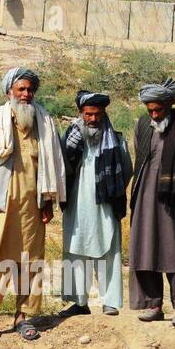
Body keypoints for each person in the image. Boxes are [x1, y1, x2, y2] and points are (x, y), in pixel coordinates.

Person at [0, 66, 67, 342]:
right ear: (9, 91)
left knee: (30, 260)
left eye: (29, 89)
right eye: (21, 89)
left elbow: (52, 165)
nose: (26, 94)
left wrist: (48, 202)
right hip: (1, 204)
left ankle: (23, 315)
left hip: (32, 204)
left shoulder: (44, 122)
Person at [128, 79, 175, 328]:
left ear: (170, 104)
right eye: (150, 110)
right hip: (145, 196)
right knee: (146, 247)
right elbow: (140, 157)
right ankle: (153, 304)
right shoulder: (142, 124)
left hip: (174, 199)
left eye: (158, 109)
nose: (154, 114)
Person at [59, 91, 131, 316]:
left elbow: (126, 171)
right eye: (88, 114)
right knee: (76, 248)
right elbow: (60, 166)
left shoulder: (116, 139)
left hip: (106, 204)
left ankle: (110, 301)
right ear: (81, 113)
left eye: (97, 114)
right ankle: (79, 303)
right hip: (77, 203)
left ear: (104, 113)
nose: (92, 119)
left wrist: (109, 190)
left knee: (109, 250)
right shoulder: (70, 137)